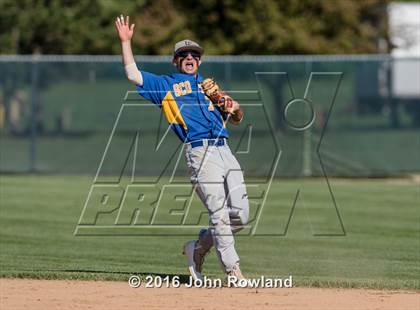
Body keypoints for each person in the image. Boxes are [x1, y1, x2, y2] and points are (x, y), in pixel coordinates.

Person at [115, 15, 249, 280]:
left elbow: (238, 117)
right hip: (200, 153)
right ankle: (233, 271)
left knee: (241, 217)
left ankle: (198, 248)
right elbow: (133, 74)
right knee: (219, 213)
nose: (190, 58)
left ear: (199, 61)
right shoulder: (166, 85)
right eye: (184, 55)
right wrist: (126, 42)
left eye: (195, 55)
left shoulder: (209, 87)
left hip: (225, 150)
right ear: (176, 61)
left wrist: (229, 105)